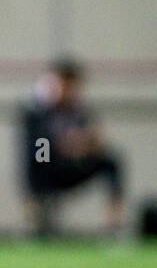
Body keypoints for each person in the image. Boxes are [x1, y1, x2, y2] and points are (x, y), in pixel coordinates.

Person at [21, 58, 125, 237]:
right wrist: (63, 144)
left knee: (111, 161)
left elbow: (95, 140)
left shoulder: (79, 110)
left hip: (74, 166)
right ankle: (36, 220)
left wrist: (85, 144)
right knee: (39, 154)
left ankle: (114, 225)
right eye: (65, 85)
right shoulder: (39, 111)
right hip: (49, 169)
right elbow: (38, 146)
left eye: (73, 86)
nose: (69, 91)